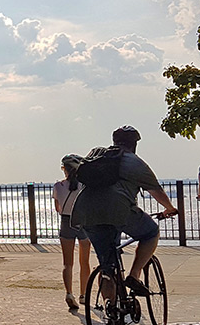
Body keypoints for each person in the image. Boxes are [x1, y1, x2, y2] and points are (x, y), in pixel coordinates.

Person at [71, 126, 178, 301]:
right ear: (134, 144)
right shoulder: (134, 162)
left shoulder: (95, 154)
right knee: (151, 232)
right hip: (119, 211)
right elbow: (156, 191)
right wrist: (170, 208)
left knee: (107, 265)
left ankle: (110, 309)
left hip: (86, 212)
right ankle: (134, 275)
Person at [52, 154, 90, 310]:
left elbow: (58, 208)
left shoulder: (58, 186)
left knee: (67, 263)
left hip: (66, 222)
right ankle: (84, 295)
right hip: (82, 222)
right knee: (84, 262)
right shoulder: (84, 186)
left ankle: (69, 293)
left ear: (64, 169)